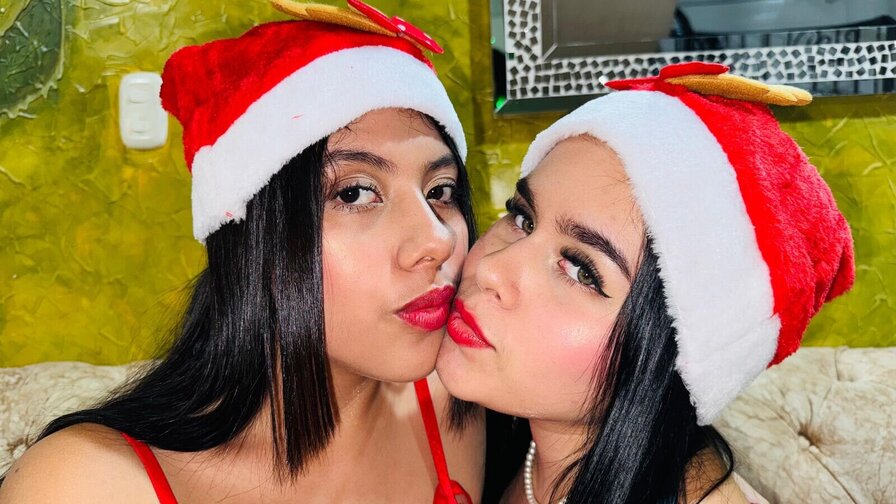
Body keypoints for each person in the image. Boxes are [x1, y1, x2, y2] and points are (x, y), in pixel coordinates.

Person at [0, 2, 484, 502]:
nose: (438, 240)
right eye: (355, 193)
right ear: (253, 240)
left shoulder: (458, 401)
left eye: (441, 191)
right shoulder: (86, 484)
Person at [436, 62, 855, 504]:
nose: (491, 268)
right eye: (523, 218)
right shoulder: (492, 434)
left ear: (677, 355)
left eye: (582, 271)